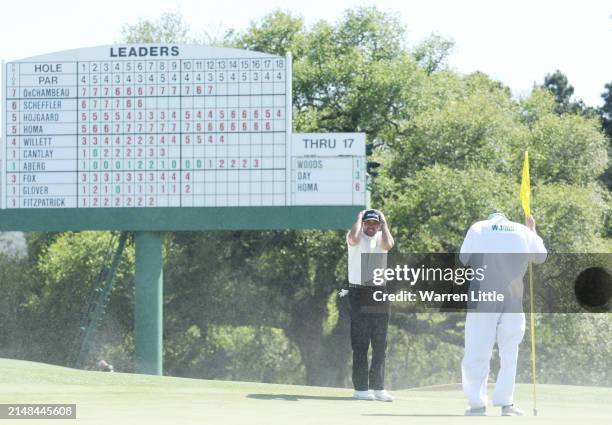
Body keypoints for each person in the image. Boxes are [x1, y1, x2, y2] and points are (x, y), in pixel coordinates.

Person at [459, 212, 547, 416]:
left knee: (477, 350)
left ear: (491, 218)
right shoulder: (523, 230)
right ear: (506, 218)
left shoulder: (478, 227)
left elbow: (463, 259)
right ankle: (506, 403)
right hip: (513, 298)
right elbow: (541, 257)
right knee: (510, 352)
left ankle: (477, 404)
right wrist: (532, 230)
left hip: (483, 296)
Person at [345, 209, 395, 402]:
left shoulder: (383, 237)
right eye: (368, 223)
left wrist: (384, 222)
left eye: (375, 223)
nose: (371, 226)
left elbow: (389, 244)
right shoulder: (355, 237)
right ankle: (360, 389)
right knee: (360, 343)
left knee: (380, 343)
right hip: (359, 292)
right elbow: (354, 238)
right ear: (363, 224)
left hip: (378, 291)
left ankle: (379, 388)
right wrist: (359, 216)